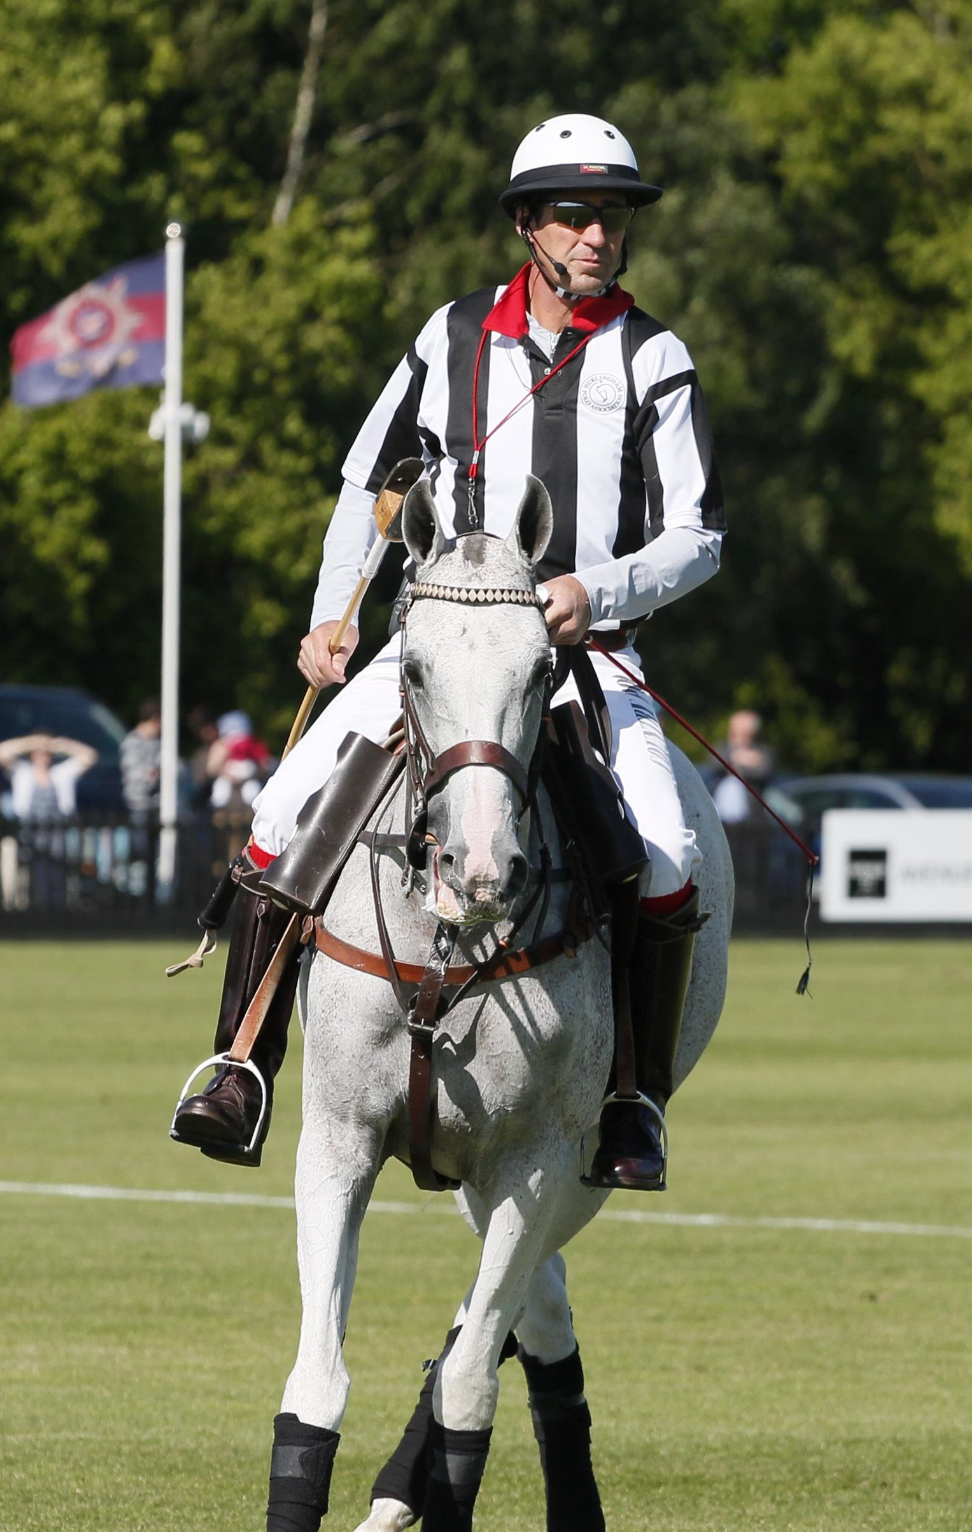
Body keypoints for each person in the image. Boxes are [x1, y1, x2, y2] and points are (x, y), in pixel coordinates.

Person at [173, 112, 726, 1189]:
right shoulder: (449, 336)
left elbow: (697, 535)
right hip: (441, 640)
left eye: (610, 215)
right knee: (281, 812)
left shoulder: (654, 354)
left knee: (664, 855)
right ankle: (239, 1063)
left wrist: (592, 587)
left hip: (587, 655)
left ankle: (629, 1100)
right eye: (573, 214)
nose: (595, 235)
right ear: (527, 223)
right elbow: (371, 483)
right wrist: (337, 609)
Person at [0, 730, 98, 908]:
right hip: (29, 834)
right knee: (35, 874)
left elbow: (89, 756)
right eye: (39, 752)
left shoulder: (61, 773)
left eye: (46, 752)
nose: (43, 755)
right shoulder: (22, 771)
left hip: (58, 834)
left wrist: (59, 744)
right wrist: (30, 742)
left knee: (58, 875)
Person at [712, 709, 774, 824]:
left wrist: (739, 766)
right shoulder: (723, 748)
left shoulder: (763, 751)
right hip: (721, 816)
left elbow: (764, 772)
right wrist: (740, 758)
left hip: (751, 818)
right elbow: (715, 764)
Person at [120, 698, 162, 817]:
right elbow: (135, 781)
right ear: (154, 720)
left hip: (158, 807)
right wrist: (154, 775)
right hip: (138, 807)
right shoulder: (132, 744)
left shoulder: (160, 743)